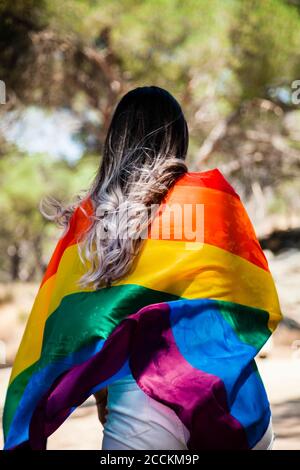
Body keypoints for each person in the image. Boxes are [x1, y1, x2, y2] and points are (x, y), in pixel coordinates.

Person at [3, 86, 281, 451]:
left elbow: (84, 321)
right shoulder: (212, 200)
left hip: (142, 405)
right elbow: (245, 298)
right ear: (178, 139)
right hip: (233, 400)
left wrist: (101, 385)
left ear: (116, 142)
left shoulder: (93, 219)